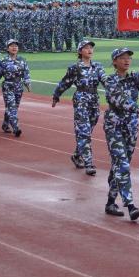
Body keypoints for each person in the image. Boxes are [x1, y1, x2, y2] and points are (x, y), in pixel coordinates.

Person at [103, 47, 139, 221]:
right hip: (115, 126)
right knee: (122, 165)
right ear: (114, 61)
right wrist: (138, 109)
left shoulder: (131, 78)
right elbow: (119, 100)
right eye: (122, 57)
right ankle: (130, 205)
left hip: (131, 126)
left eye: (128, 57)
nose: (126, 60)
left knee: (121, 165)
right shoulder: (110, 81)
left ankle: (110, 202)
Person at [52, 40, 105, 176]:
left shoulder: (98, 67)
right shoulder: (75, 68)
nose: (89, 50)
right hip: (81, 99)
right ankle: (89, 163)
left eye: (91, 48)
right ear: (80, 51)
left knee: (88, 130)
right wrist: (56, 95)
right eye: (86, 48)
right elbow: (65, 82)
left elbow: (106, 81)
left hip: (94, 100)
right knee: (84, 131)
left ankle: (77, 155)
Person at [0, 39, 30, 137]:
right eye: (12, 46)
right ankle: (16, 127)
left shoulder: (22, 60)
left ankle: (5, 124)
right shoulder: (3, 61)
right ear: (7, 48)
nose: (14, 47)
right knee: (12, 107)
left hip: (18, 86)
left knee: (14, 107)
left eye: (16, 46)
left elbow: (26, 72)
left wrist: (27, 83)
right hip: (8, 85)